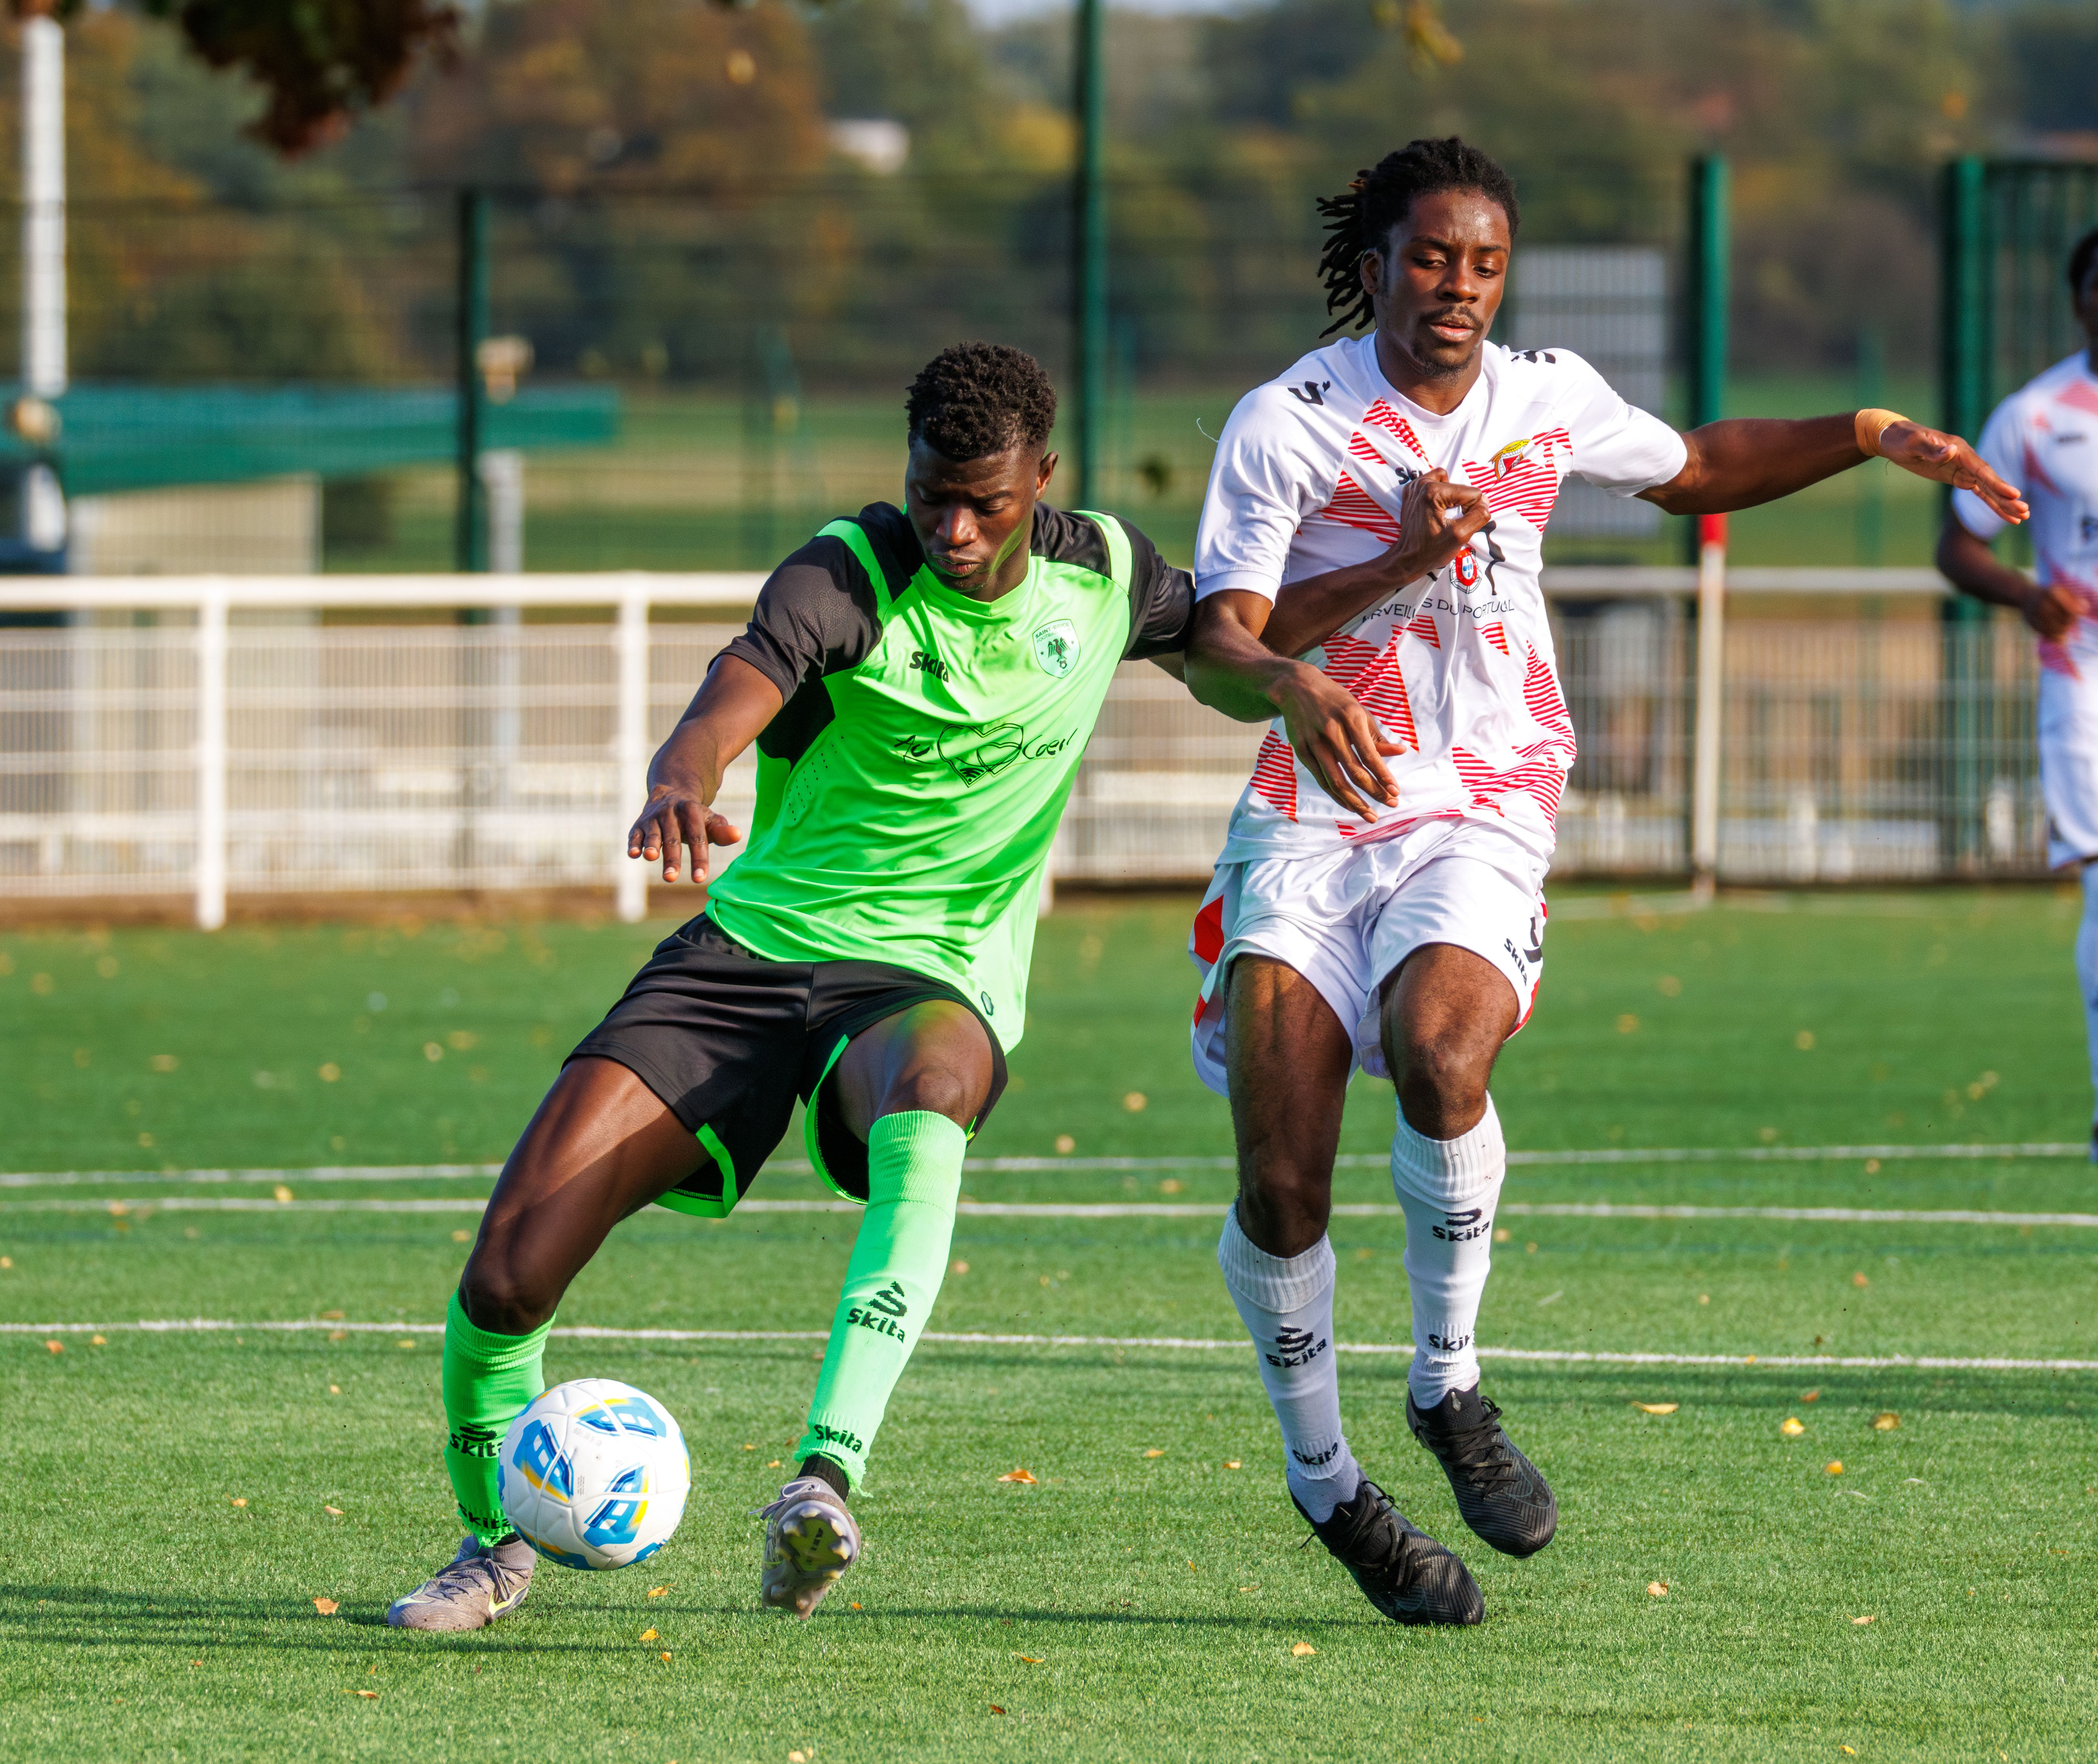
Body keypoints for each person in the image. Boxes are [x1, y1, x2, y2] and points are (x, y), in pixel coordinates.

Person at [1179, 136, 2026, 1627]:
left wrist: (1873, 430)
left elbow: (1693, 466)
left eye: (1483, 264)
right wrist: (1366, 595)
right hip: (1314, 810)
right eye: (1430, 257)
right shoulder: (1289, 421)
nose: (1456, 288)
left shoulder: (1542, 395)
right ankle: (1328, 1486)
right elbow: (1223, 643)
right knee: (1281, 1176)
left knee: (1445, 1053)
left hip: (1484, 798)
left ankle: (1447, 1387)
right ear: (1373, 263)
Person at [385, 341, 1335, 1632]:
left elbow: (1220, 654)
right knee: (505, 1276)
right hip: (748, 957)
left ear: (1039, 480)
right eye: (930, 493)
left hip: (928, 975)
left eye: (984, 504)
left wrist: (1286, 675)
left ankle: (823, 1480)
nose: (950, 527)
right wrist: (684, 772)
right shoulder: (851, 568)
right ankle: (493, 1545)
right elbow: (744, 679)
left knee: (935, 1087)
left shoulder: (1103, 570)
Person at [1937, 225, 2098, 1151]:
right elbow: (1957, 541)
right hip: (2080, 674)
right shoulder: (2035, 416)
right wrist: (2026, 594)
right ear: (2078, 297)